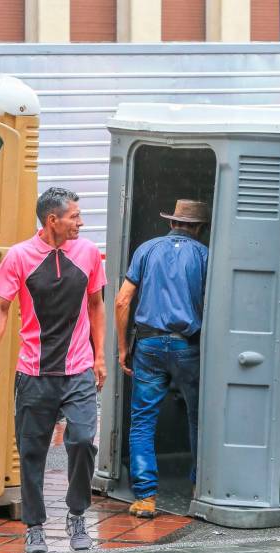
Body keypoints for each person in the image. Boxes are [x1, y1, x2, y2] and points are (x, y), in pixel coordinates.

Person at [0, 187, 106, 553]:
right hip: (33, 372)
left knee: (82, 440)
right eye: (74, 217)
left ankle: (77, 514)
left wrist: (99, 358)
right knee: (32, 452)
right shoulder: (19, 256)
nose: (80, 222)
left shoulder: (88, 254)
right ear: (53, 220)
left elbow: (96, 305)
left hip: (78, 368)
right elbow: (1, 308)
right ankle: (35, 526)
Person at [115, 199, 209, 518]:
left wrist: (123, 347)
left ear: (172, 223)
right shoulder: (205, 255)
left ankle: (145, 498)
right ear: (199, 228)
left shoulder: (147, 249)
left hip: (149, 345)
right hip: (188, 346)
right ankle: (199, 489)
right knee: (198, 418)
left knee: (143, 420)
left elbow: (122, 300)